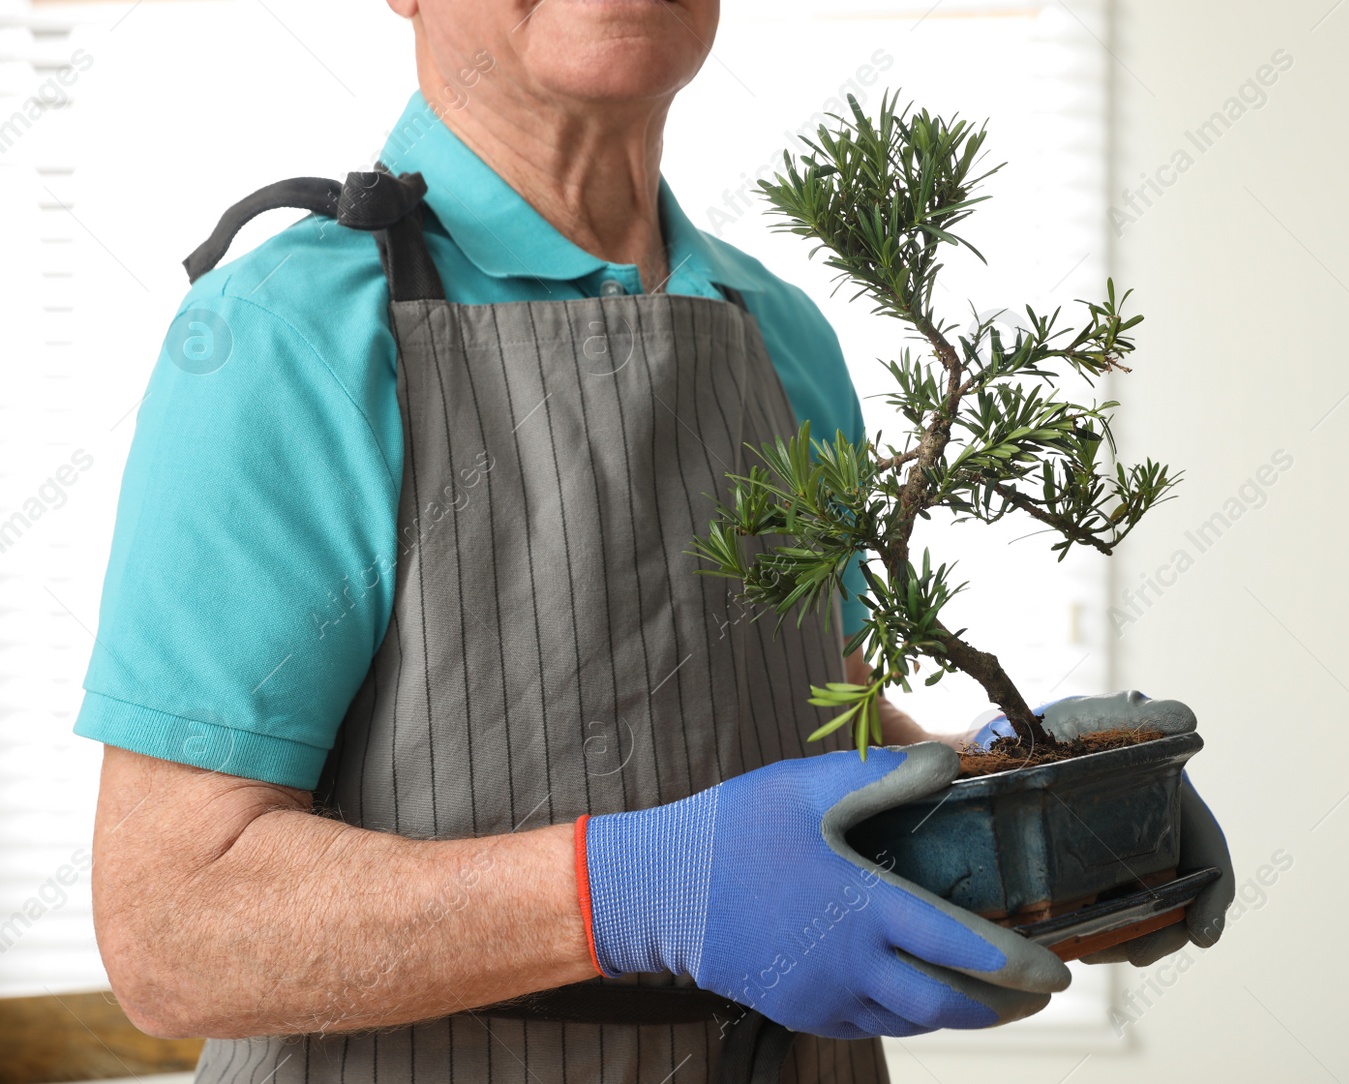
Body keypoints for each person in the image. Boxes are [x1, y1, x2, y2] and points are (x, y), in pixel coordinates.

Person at [75, 3, 1231, 1082]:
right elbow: (173, 928)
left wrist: (1010, 805)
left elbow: (811, 713)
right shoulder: (286, 335)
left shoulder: (773, 331)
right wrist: (632, 892)